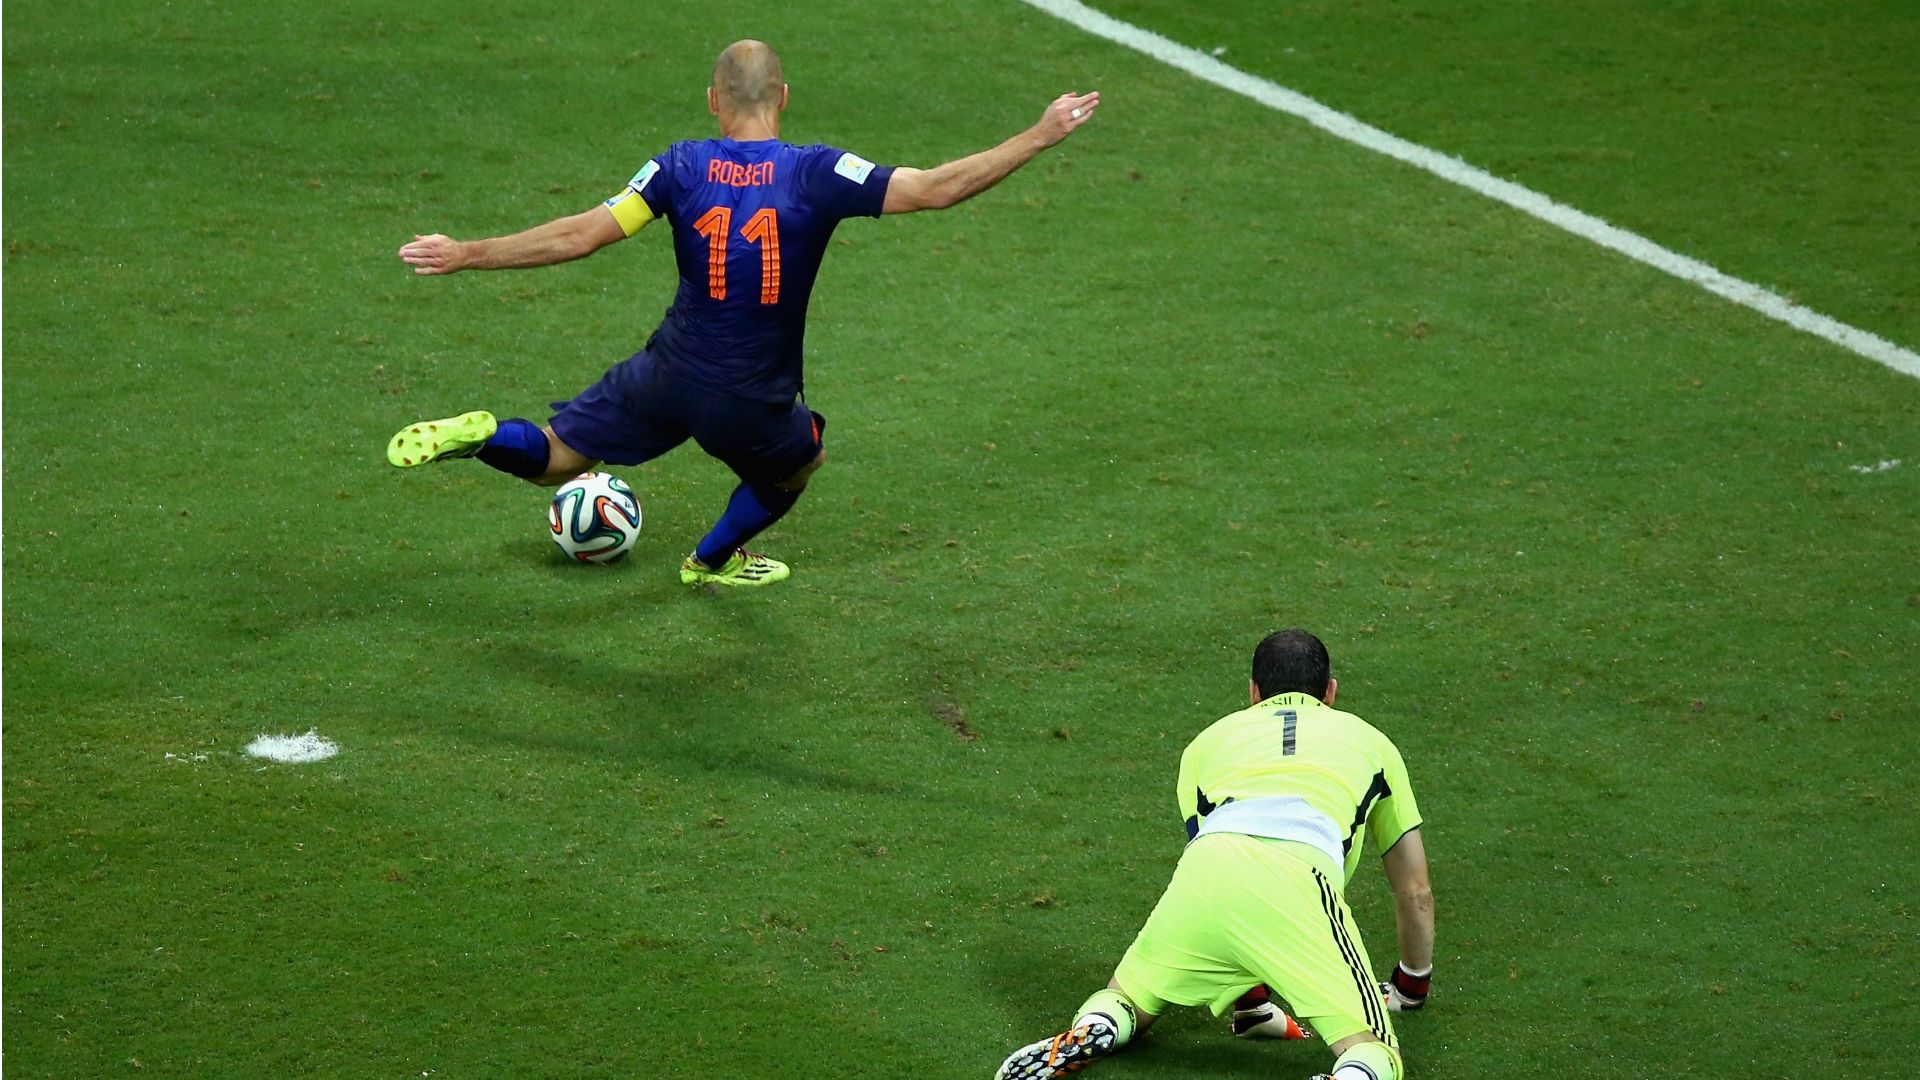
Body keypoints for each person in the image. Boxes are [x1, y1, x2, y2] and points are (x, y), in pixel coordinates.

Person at [386, 39, 1100, 587]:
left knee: (552, 459)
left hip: (665, 371)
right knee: (800, 460)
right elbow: (937, 189)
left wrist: (468, 252)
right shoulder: (818, 171)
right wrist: (1039, 133)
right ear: (783, 96)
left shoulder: (678, 165)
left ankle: (482, 435)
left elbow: (581, 235)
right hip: (750, 396)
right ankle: (711, 560)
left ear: (712, 100)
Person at [995, 629, 1436, 1080]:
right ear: (1331, 692)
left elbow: (1230, 886)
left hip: (1204, 873)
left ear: (1252, 692)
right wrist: (1411, 983)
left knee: (1128, 995)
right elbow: (1414, 889)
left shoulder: (1207, 743)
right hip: (1297, 879)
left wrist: (1254, 1008)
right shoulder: (1374, 743)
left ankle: (1098, 1024)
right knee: (1375, 1051)